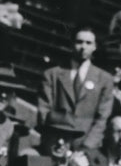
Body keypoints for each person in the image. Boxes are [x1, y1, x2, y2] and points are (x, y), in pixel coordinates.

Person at [37, 26, 114, 154]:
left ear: (95, 46)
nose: (83, 47)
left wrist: (86, 147)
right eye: (79, 42)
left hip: (85, 147)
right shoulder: (52, 74)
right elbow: (44, 109)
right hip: (55, 143)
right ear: (71, 44)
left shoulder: (104, 79)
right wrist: (52, 140)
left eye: (88, 43)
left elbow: (102, 118)